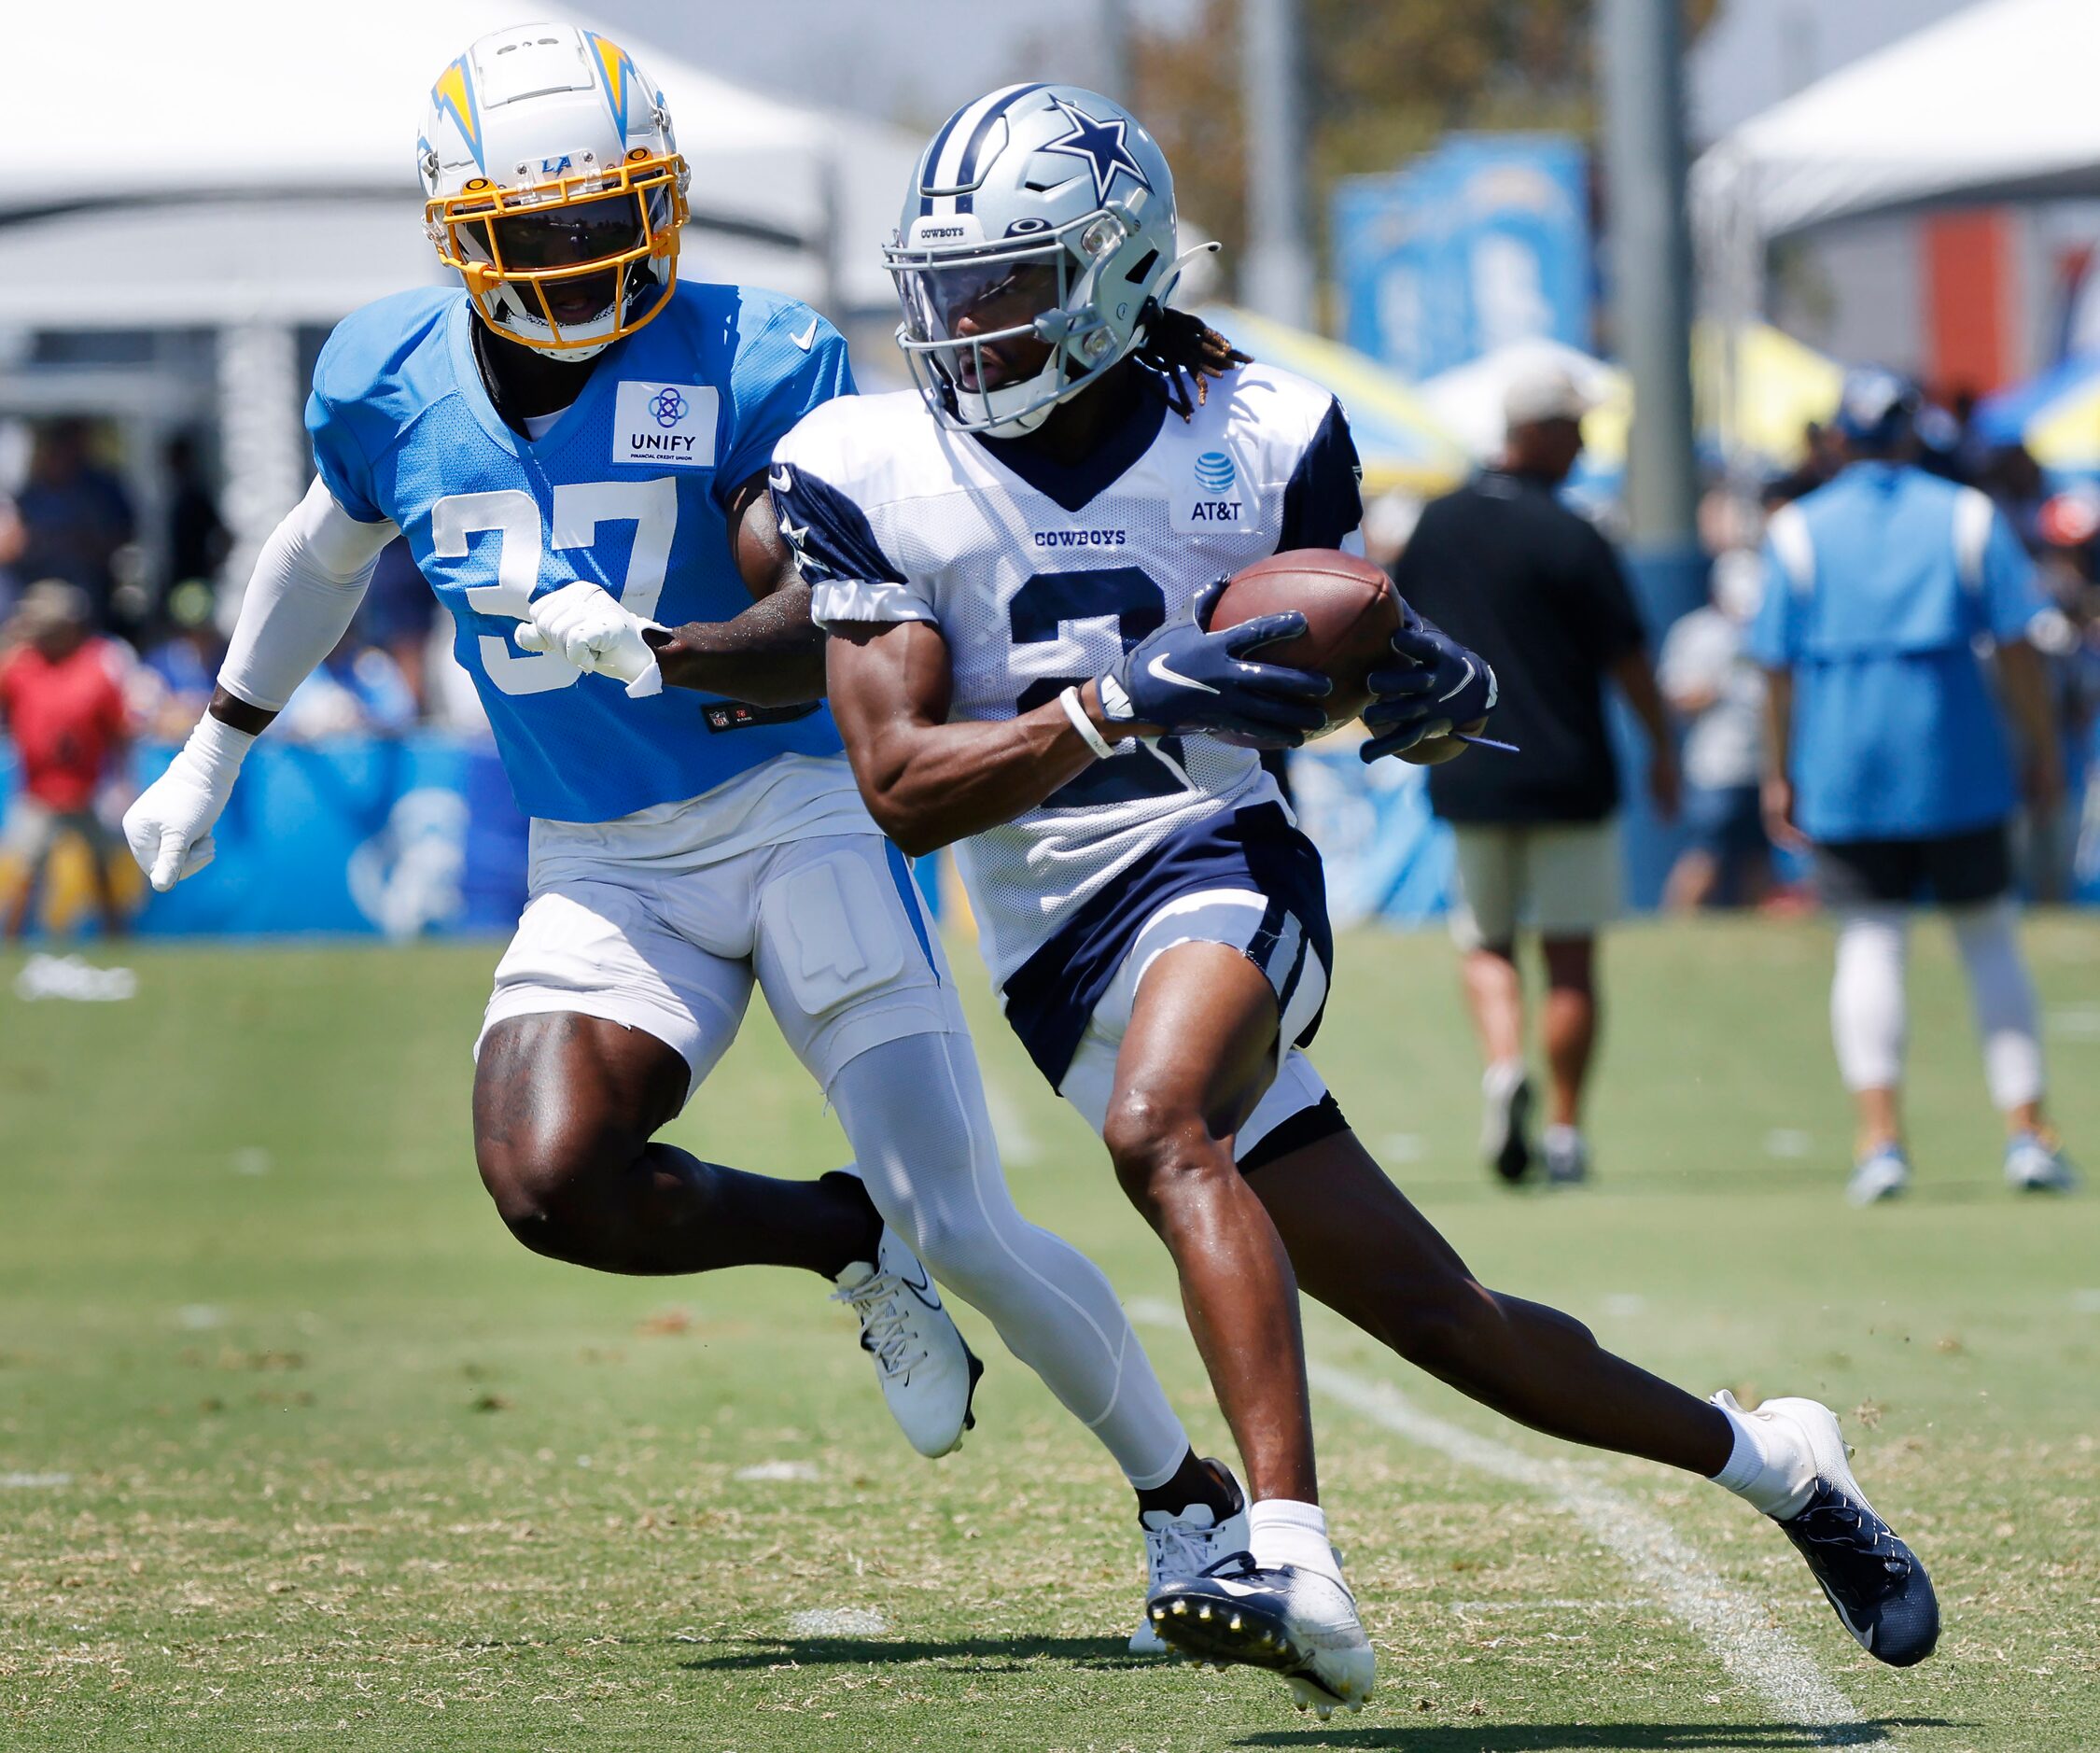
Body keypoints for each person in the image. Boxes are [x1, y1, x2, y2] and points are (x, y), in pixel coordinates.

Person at [665, 80, 1941, 1717]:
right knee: (1444, 1315)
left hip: (1218, 855)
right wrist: (1125, 698)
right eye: (953, 282)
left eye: (1011, 280)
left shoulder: (1260, 429)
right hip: (1055, 932)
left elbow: (1306, 655)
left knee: (1160, 1124)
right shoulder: (868, 458)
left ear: (1118, 275)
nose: (968, 322)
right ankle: (1777, 1459)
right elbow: (904, 785)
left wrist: (1400, 677)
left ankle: (1287, 1552)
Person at [118, 27, 1240, 1620]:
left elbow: (823, 611)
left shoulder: (749, 347)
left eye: (610, 218)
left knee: (965, 1217)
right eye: (542, 232)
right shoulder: (384, 372)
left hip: (798, 812)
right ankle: (840, 1242)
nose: (583, 260)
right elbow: (322, 547)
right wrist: (218, 744)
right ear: (461, 233)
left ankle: (1190, 1503)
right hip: (602, 853)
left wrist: (648, 645)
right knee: (550, 1179)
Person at [1750, 369, 2079, 1203]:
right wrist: (2040, 747)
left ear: (1839, 439)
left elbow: (1776, 670)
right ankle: (2027, 1134)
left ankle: (1880, 1141)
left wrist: (1780, 771)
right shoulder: (1966, 515)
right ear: (1913, 432)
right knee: (1989, 937)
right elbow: (2018, 645)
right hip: (1956, 757)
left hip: (1844, 763)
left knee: (1869, 942)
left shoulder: (1797, 531)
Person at [1391, 364, 1679, 1186]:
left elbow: (1397, 631)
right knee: (1572, 957)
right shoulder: (1574, 532)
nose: (1586, 443)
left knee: (1485, 941)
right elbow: (1628, 659)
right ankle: (1563, 1130)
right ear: (1540, 434)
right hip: (1569, 771)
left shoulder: (1438, 525)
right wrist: (1663, 747)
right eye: (1576, 428)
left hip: (1468, 763)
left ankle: (1503, 1062)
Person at [0, 581, 132, 941]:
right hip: (37, 792)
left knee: (103, 871)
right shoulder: (19, 665)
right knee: (24, 873)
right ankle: (9, 948)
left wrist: (121, 782)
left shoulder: (97, 666)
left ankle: (119, 943)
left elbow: (119, 730)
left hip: (86, 790)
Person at [1659, 549, 1772, 910]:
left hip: (1763, 763)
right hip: (1717, 765)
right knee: (1707, 853)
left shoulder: (1768, 629)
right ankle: (1678, 924)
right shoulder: (1696, 632)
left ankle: (1756, 932)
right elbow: (1675, 694)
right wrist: (1714, 690)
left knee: (1759, 857)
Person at [15, 420, 135, 626]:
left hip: (85, 587)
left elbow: (120, 533)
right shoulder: (30, 495)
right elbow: (18, 539)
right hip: (37, 586)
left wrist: (86, 542)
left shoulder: (98, 491)